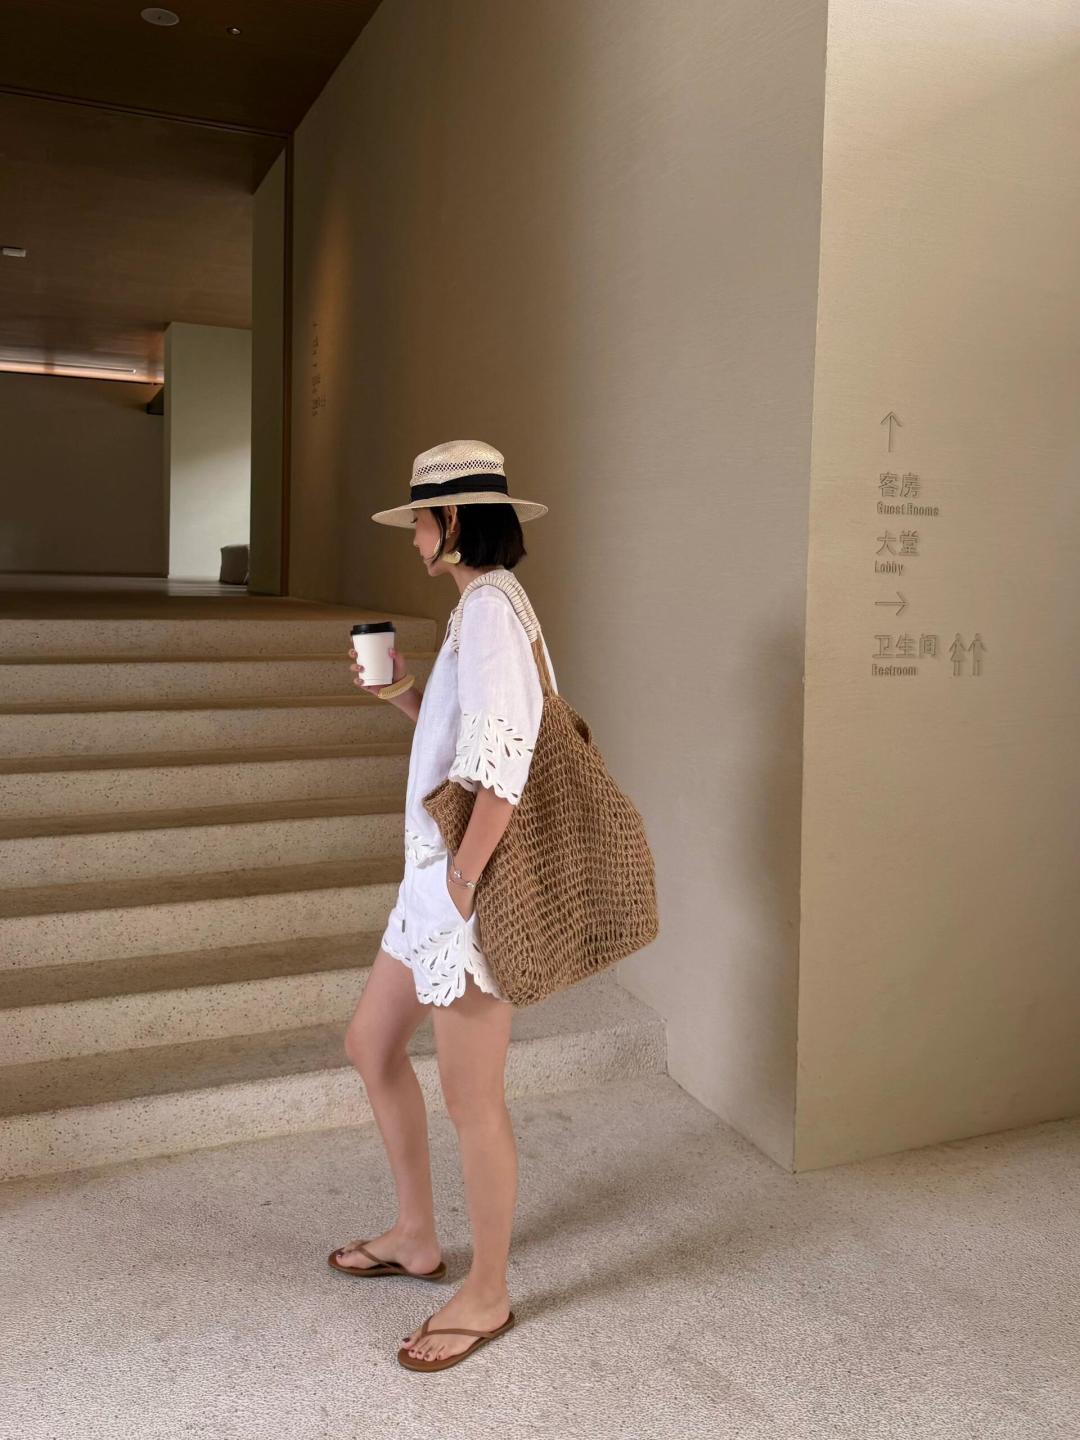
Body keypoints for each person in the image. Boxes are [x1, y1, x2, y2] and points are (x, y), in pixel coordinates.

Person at [328, 441, 554, 1372]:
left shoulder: (492, 610)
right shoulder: (478, 608)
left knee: (473, 1099)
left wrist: (462, 883)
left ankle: (488, 1293)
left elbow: (506, 765)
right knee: (370, 1044)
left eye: (419, 520)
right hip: (431, 883)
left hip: (462, 891)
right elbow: (465, 739)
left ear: (451, 521)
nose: (413, 536)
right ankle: (418, 1238)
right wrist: (402, 695)